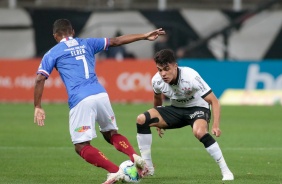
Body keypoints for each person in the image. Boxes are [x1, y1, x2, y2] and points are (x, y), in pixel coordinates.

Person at [33, 18, 165, 184]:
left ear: (55, 36)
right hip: (101, 94)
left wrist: (38, 106)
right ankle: (133, 155)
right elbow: (116, 41)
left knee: (81, 145)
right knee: (111, 134)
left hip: (80, 99)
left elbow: (39, 79)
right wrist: (144, 36)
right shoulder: (87, 43)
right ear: (72, 32)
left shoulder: (53, 52)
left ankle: (115, 171)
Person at [136, 49, 234, 181]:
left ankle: (226, 171)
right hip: (176, 110)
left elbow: (214, 101)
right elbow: (157, 99)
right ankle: (148, 167)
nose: (163, 74)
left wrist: (216, 125)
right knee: (141, 120)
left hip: (197, 108)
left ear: (175, 66)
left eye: (166, 68)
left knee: (199, 132)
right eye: (160, 70)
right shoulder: (156, 81)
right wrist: (157, 120)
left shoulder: (191, 76)